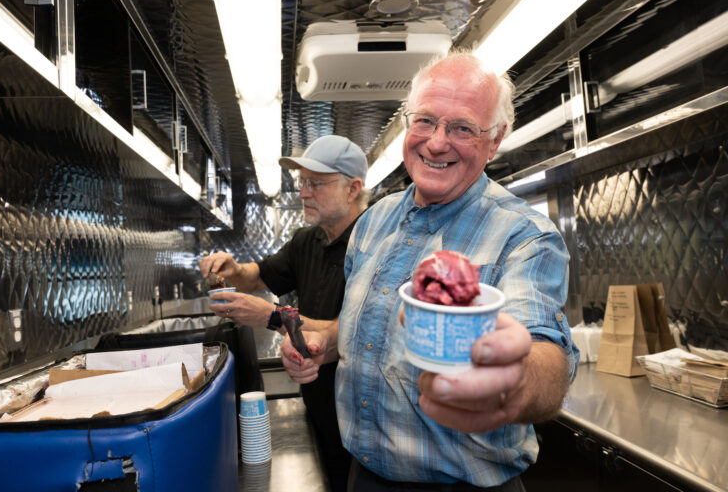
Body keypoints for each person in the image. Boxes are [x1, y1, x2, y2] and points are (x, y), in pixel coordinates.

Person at [281, 52, 579, 491]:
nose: (437, 143)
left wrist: (513, 381)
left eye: (462, 128)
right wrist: (323, 344)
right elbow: (362, 328)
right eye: (425, 121)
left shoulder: (525, 236)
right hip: (362, 478)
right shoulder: (373, 221)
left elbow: (546, 358)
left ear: (495, 140)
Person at [199, 134, 369, 492]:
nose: (303, 193)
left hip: (360, 423)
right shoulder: (308, 240)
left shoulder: (373, 245)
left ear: (353, 189)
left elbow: (352, 331)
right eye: (302, 182)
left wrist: (273, 317)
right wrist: (234, 269)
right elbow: (259, 276)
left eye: (316, 183)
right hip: (319, 409)